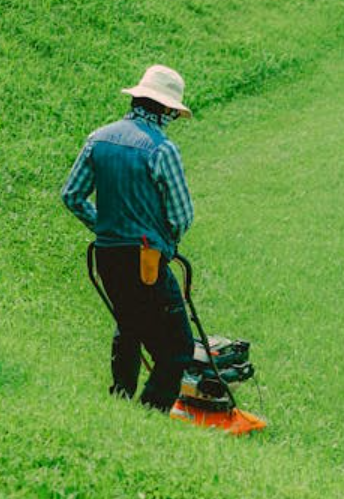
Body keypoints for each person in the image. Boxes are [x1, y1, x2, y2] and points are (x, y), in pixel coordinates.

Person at [61, 65, 195, 413]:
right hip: (146, 258)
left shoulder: (98, 139)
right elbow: (182, 216)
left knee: (129, 325)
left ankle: (120, 400)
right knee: (178, 347)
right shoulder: (162, 149)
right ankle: (151, 412)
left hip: (106, 255)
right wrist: (166, 240)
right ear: (165, 109)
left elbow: (72, 195)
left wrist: (104, 226)